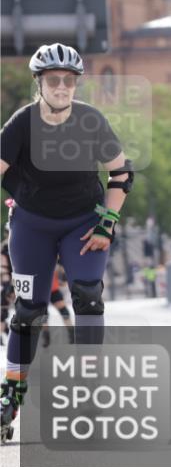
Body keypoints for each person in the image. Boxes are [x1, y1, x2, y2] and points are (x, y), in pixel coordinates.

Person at [0, 42, 133, 443]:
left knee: (88, 295)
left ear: (76, 84)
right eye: (53, 80)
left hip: (83, 223)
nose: (62, 87)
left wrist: (107, 223)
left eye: (69, 81)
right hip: (31, 225)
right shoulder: (21, 123)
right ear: (39, 83)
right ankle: (11, 398)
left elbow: (121, 175)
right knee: (27, 313)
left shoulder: (91, 121)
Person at [40, 265, 75, 348]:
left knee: (64, 312)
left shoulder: (53, 258)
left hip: (53, 290)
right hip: (41, 291)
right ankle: (46, 337)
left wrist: (63, 278)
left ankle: (72, 335)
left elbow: (61, 269)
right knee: (43, 315)